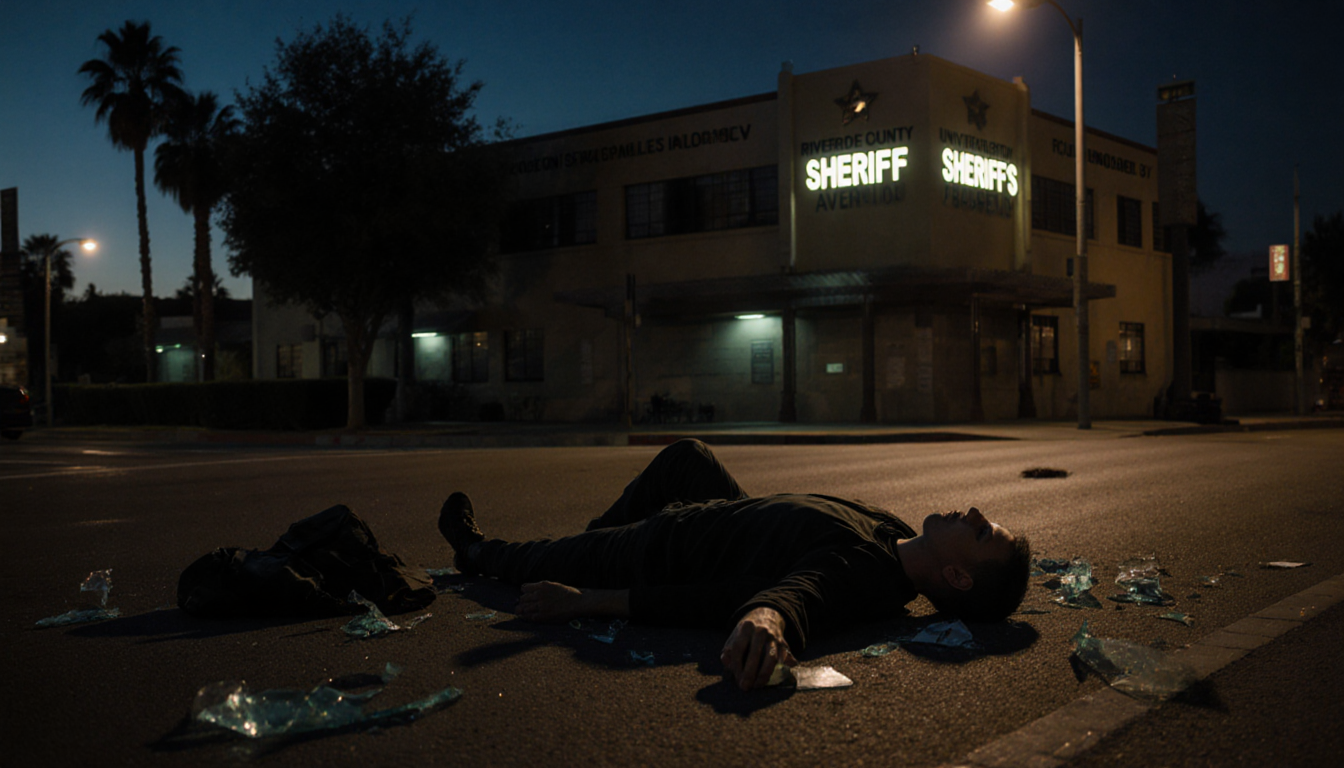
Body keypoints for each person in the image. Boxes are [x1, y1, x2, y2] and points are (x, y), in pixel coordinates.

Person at [438, 439, 1030, 691]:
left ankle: (474, 550)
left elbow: (795, 596)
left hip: (665, 550)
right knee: (688, 457)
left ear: (957, 577)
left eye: (981, 531)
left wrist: (766, 619)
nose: (975, 513)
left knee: (534, 560)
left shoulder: (863, 576)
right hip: (722, 514)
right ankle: (593, 545)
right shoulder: (896, 534)